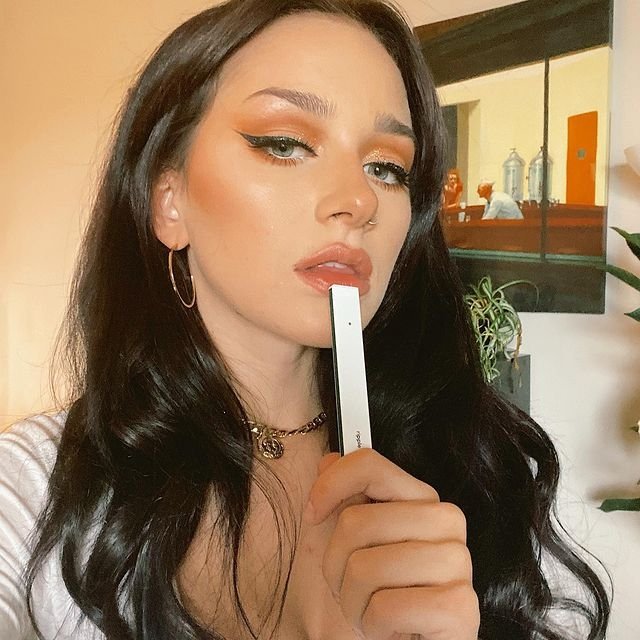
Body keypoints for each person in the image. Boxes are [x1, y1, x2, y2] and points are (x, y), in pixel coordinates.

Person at [0, 1, 610, 639]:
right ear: (168, 201)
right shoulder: (33, 495)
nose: (359, 200)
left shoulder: (484, 471)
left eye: (387, 168)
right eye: (284, 144)